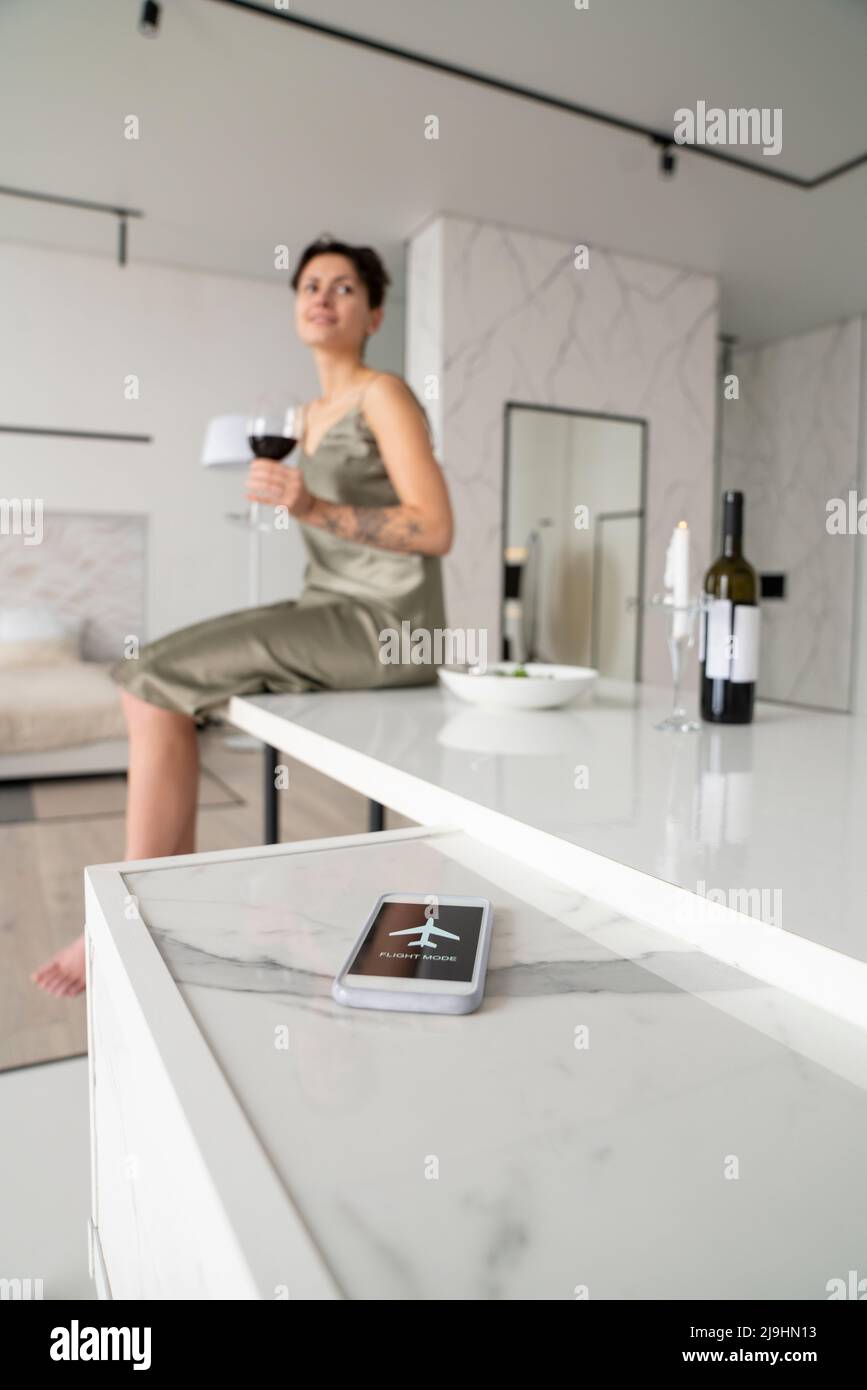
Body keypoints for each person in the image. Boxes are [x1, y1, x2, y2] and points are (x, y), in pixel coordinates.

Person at [32, 235, 453, 997]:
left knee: (151, 678)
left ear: (374, 313)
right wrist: (300, 503)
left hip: (388, 623)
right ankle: (169, 903)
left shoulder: (381, 394)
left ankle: (135, 917)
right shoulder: (305, 414)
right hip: (327, 606)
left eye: (343, 288)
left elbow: (435, 529)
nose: (321, 296)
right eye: (310, 285)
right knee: (143, 671)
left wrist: (315, 504)